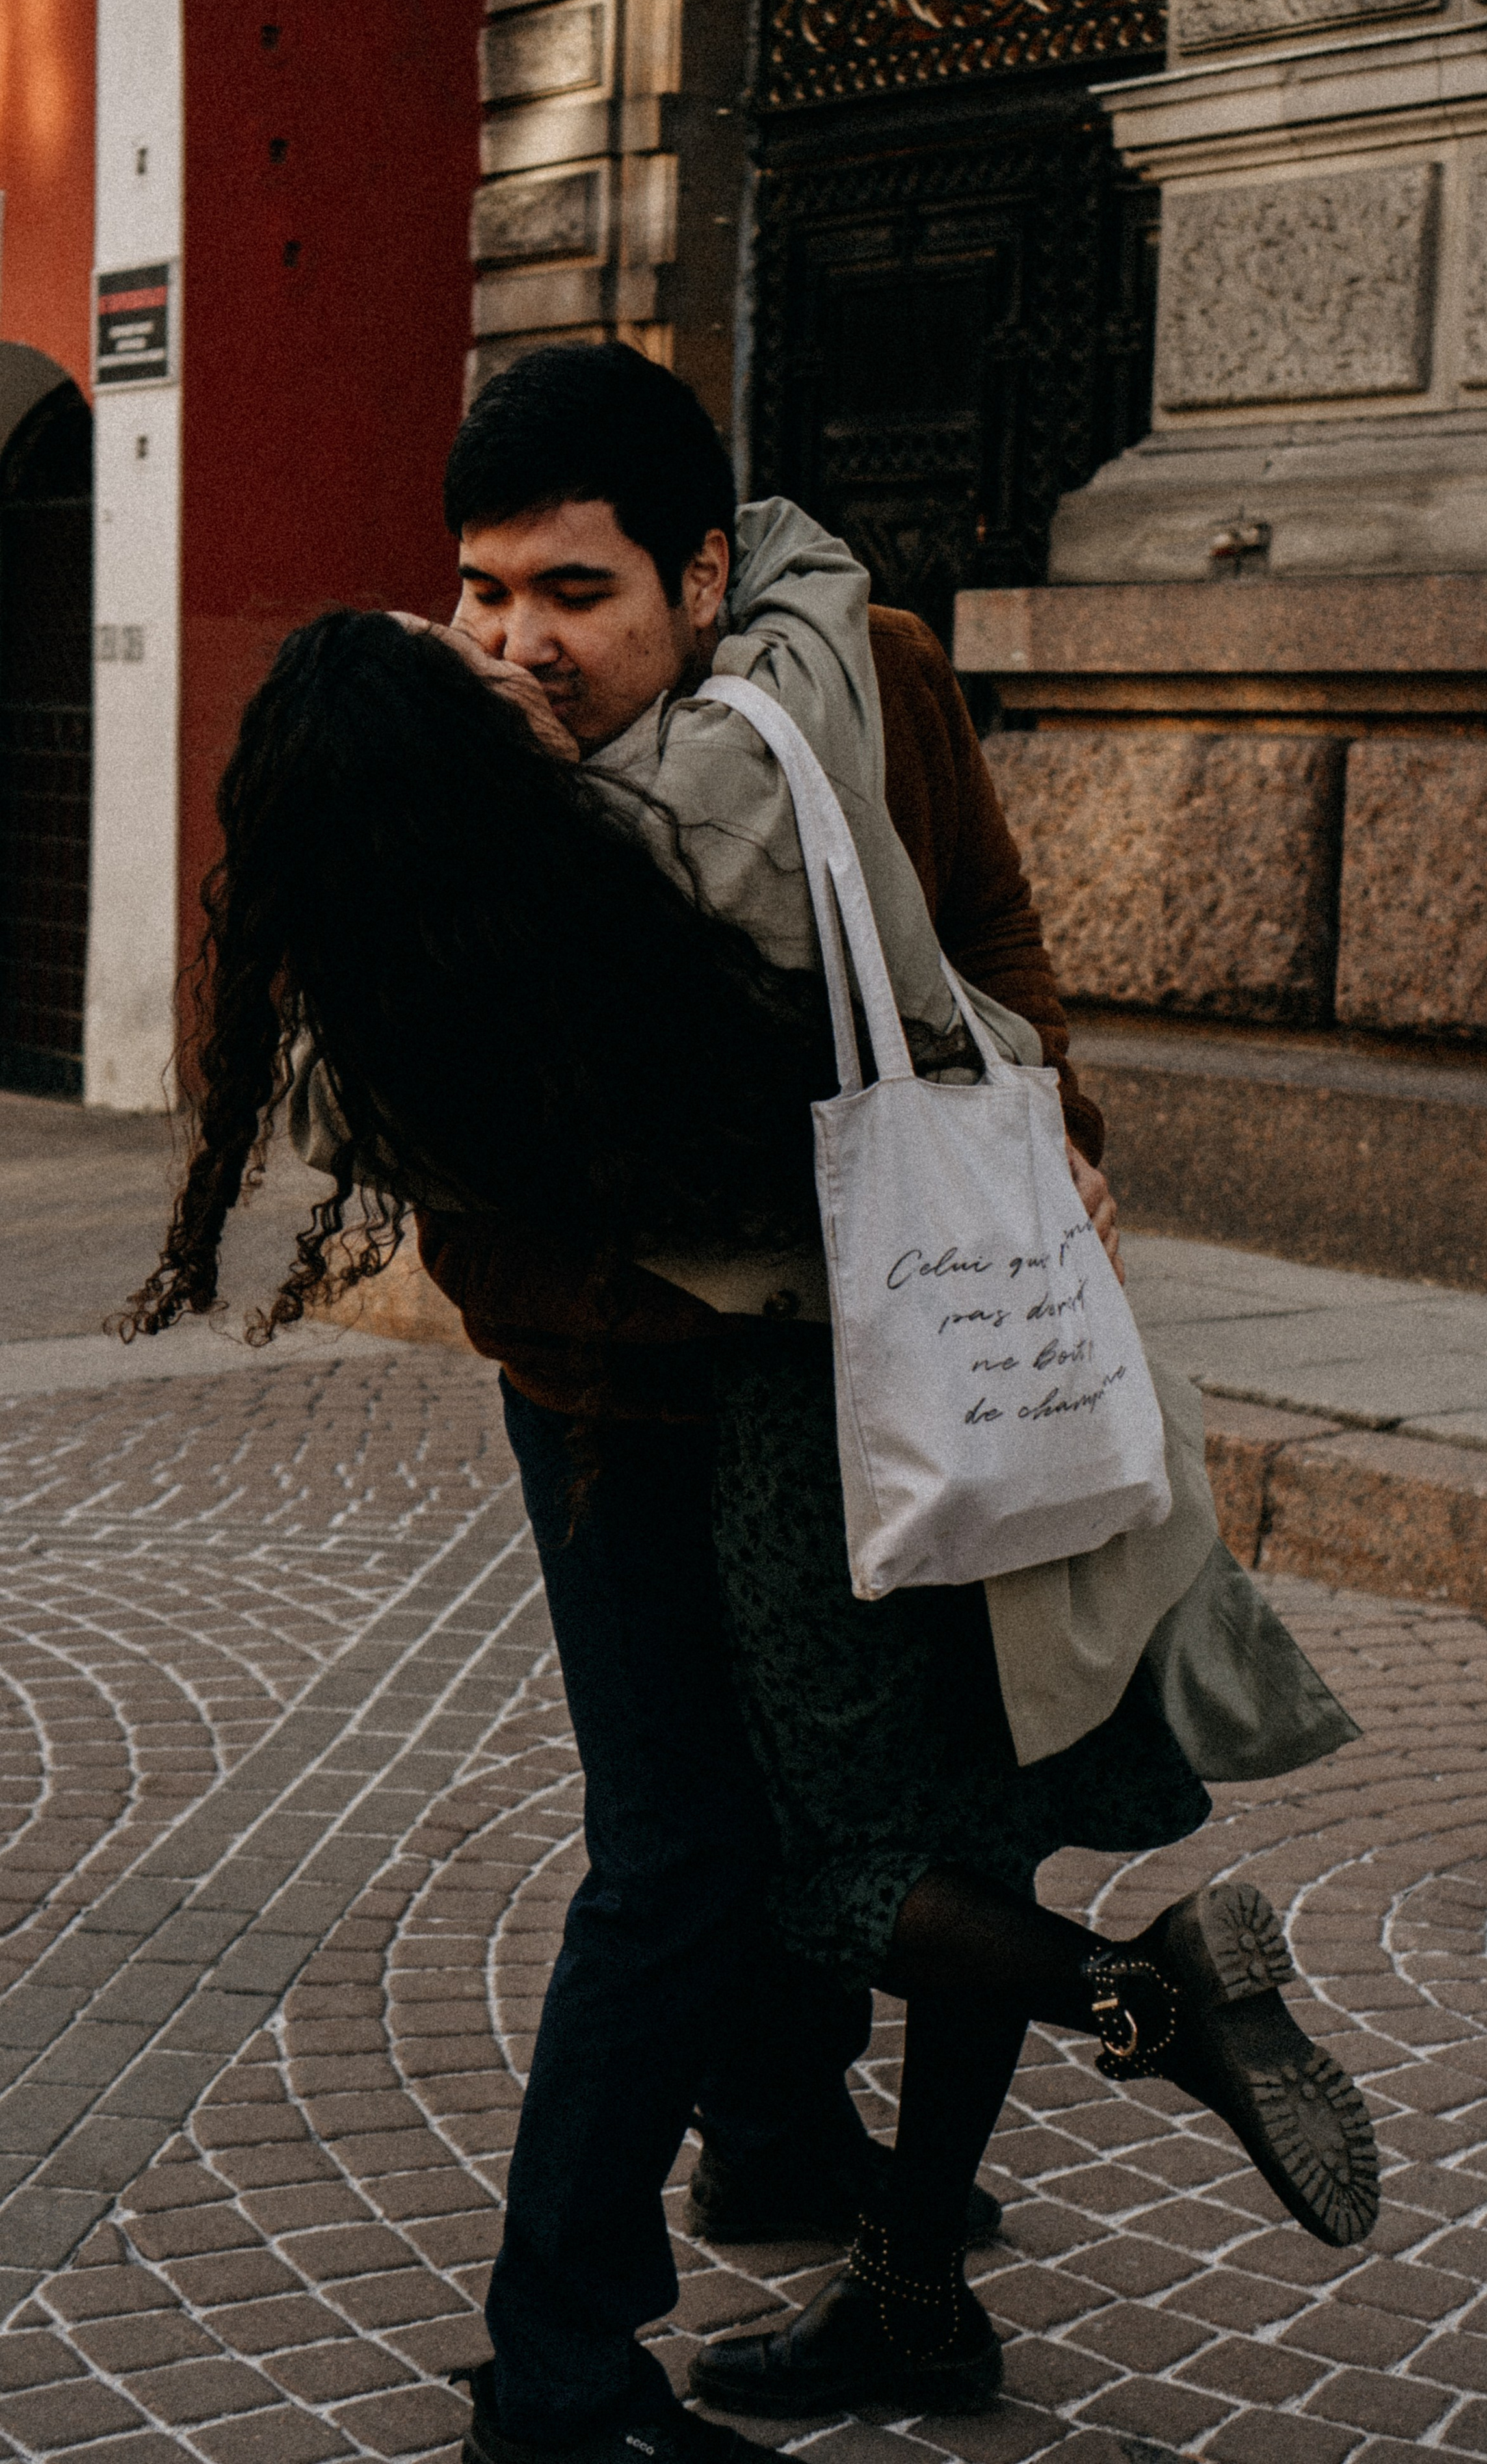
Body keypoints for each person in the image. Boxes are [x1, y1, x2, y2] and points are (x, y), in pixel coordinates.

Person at [127, 347, 1376, 2464]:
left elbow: (984, 924)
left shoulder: (871, 675)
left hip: (904, 1365)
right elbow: (490, 1238)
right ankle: (761, 2200)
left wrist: (1043, 1112)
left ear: (706, 581)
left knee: (923, 1797)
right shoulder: (453, 796)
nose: (521, 638)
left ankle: (825, 2237)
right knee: (711, 1852)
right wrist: (739, 1294)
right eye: (482, 586)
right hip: (640, 1423)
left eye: (576, 592)